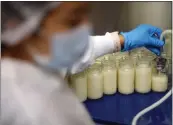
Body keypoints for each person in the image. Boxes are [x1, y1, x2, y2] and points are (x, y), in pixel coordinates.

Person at [1, 2, 164, 125]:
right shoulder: (32, 112)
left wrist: (121, 40)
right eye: (73, 21)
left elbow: (73, 50)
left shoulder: (33, 62)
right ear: (19, 26)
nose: (87, 28)